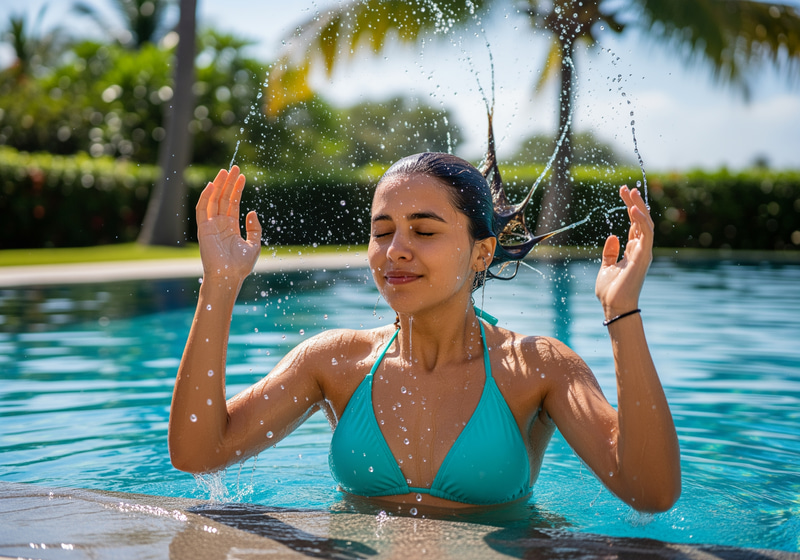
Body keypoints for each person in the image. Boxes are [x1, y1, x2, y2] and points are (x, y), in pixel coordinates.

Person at [168, 152, 681, 513]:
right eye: (382, 231)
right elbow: (198, 452)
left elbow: (650, 491)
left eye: (425, 230)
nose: (396, 251)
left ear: (482, 251)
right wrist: (220, 283)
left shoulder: (536, 367)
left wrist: (621, 313)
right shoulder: (334, 363)